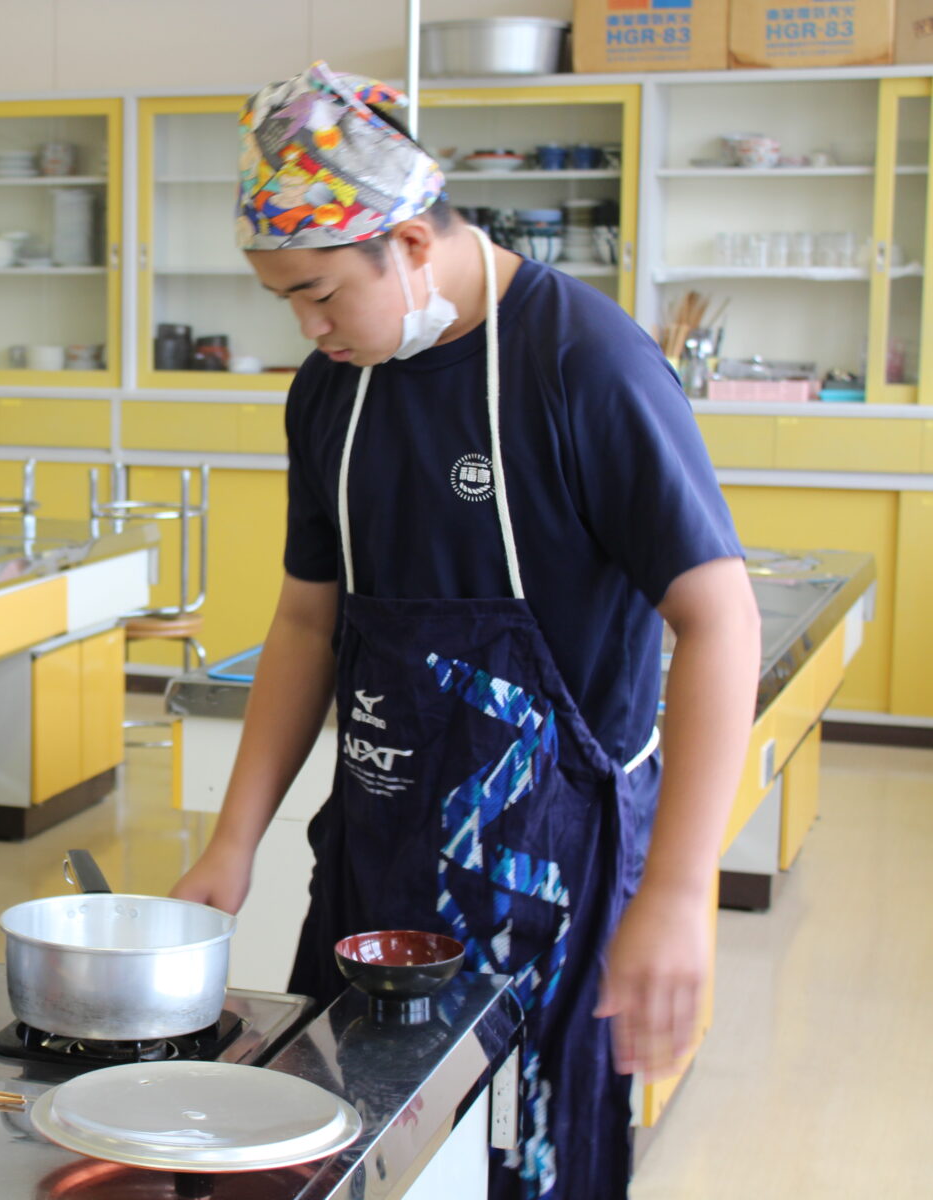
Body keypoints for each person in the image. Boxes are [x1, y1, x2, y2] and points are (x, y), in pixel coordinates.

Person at [170, 66, 762, 1198]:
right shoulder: (332, 391)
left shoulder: (584, 365)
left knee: (521, 1167)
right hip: (375, 854)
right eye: (284, 300)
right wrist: (233, 840)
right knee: (341, 1150)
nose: (308, 327)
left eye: (322, 292)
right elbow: (307, 618)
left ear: (408, 241)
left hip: (554, 868)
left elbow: (718, 615)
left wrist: (681, 893)